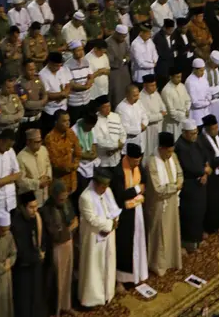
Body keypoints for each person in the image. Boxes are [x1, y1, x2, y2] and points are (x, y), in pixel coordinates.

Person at [77, 168, 119, 309]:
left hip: (108, 235)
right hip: (93, 238)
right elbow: (92, 219)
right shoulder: (85, 197)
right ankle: (91, 299)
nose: (104, 189)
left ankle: (107, 293)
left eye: (106, 186)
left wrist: (115, 219)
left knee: (108, 262)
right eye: (102, 186)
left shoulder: (107, 191)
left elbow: (113, 208)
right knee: (93, 267)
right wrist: (110, 224)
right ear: (95, 183)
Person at [108, 142, 148, 290]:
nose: (137, 164)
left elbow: (145, 181)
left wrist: (136, 190)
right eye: (135, 161)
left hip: (137, 211)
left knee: (138, 242)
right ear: (128, 158)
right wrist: (137, 189)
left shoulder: (138, 167)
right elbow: (120, 194)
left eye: (139, 161)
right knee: (125, 245)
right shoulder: (119, 171)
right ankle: (121, 280)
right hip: (124, 214)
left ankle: (137, 275)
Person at [146, 131, 182, 276]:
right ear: (161, 148)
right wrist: (175, 187)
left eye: (172, 151)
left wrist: (179, 183)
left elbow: (179, 173)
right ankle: (158, 265)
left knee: (172, 230)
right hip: (160, 203)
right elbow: (158, 189)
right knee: (160, 235)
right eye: (168, 151)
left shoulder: (173, 156)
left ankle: (173, 260)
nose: (170, 155)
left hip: (172, 201)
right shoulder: (152, 162)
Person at [40, 183, 76, 317]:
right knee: (57, 281)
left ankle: (66, 306)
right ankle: (55, 311)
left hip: (68, 243)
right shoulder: (46, 210)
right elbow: (55, 234)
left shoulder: (67, 203)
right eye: (61, 199)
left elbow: (74, 220)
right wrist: (69, 229)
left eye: (65, 197)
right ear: (54, 196)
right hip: (56, 248)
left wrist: (67, 229)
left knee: (68, 278)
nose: (64, 201)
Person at [173, 120, 208, 252]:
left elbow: (205, 156)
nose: (195, 136)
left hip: (200, 183)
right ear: (184, 133)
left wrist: (206, 168)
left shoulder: (196, 141)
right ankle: (190, 243)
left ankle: (198, 237)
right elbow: (189, 166)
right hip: (190, 185)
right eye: (192, 134)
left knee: (200, 211)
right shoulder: (180, 147)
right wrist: (204, 171)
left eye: (196, 133)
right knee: (191, 214)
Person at [9, 193, 45, 317]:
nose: (35, 210)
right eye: (31, 207)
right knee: (24, 301)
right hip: (22, 268)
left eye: (36, 207)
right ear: (22, 207)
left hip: (34, 264)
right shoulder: (16, 224)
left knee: (36, 297)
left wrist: (42, 251)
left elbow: (40, 237)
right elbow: (20, 249)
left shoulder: (35, 218)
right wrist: (36, 256)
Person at [197, 115, 219, 232]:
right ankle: (211, 226)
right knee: (212, 202)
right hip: (211, 177)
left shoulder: (218, 135)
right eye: (213, 129)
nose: (216, 130)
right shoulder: (202, 140)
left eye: (216, 128)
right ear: (207, 129)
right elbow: (208, 159)